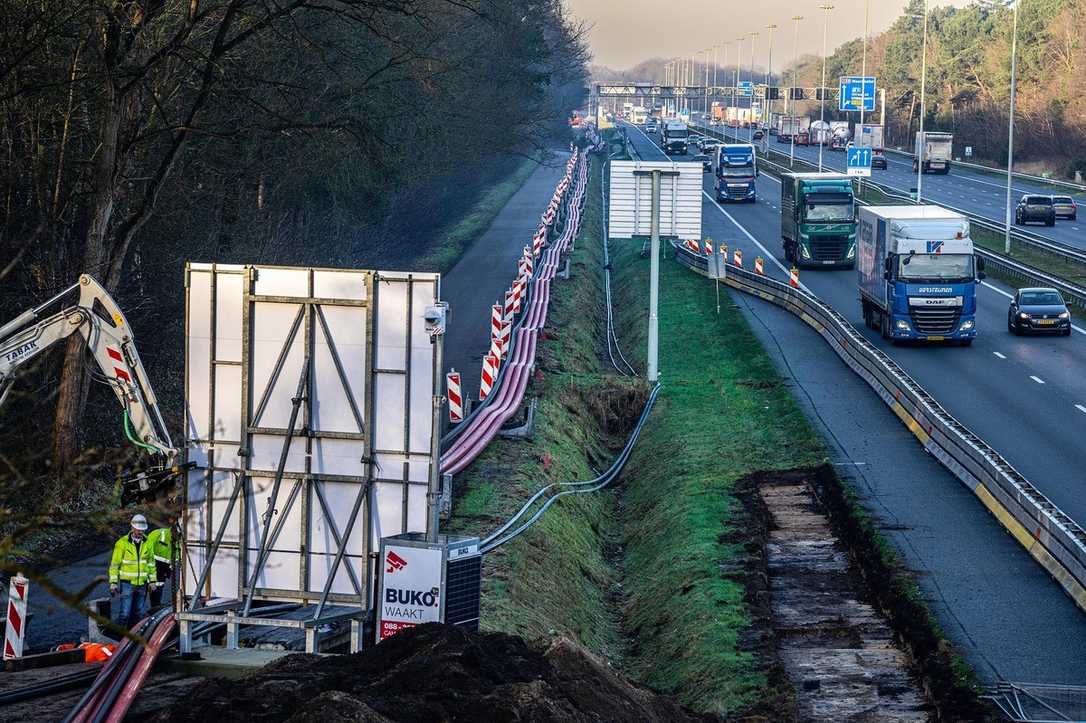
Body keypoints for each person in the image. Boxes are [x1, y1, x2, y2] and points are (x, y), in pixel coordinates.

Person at [108, 514, 157, 629]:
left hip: (142, 584)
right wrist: (113, 582)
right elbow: (115, 565)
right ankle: (119, 637)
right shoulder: (122, 543)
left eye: (142, 530)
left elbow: (151, 564)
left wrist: (153, 581)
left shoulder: (148, 543)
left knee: (138, 614)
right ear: (132, 528)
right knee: (125, 614)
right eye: (138, 529)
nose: (140, 532)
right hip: (127, 584)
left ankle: (132, 637)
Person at [146, 521, 174, 607]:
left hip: (164, 569)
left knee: (158, 588)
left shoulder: (178, 540)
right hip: (153, 566)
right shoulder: (157, 534)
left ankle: (155, 607)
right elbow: (146, 552)